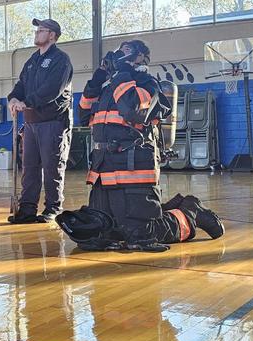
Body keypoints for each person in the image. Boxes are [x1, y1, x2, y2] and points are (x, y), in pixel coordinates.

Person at [57, 39, 225, 251]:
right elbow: (83, 114)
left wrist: (121, 74)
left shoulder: (148, 84)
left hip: (133, 165)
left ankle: (191, 211)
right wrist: (99, 77)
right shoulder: (110, 87)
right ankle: (158, 213)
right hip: (104, 167)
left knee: (141, 236)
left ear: (141, 58)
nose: (119, 55)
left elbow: (133, 109)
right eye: (119, 51)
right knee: (104, 232)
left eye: (126, 52)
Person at [7, 18, 74, 223]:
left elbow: (52, 90)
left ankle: (53, 207)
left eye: (41, 30)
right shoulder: (32, 60)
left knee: (52, 165)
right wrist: (14, 98)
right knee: (29, 167)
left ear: (52, 35)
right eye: (37, 30)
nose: (36, 33)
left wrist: (26, 102)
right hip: (31, 122)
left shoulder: (61, 60)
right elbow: (21, 84)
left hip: (52, 121)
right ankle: (27, 208)